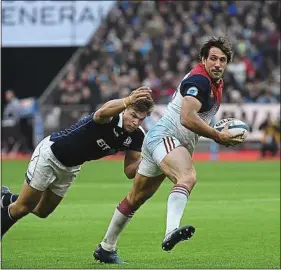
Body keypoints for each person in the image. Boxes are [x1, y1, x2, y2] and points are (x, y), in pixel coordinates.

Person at [93, 37, 245, 264]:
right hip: (166, 138)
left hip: (165, 142)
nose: (217, 64)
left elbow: (196, 117)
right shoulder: (199, 80)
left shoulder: (216, 83)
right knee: (187, 176)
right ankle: (170, 231)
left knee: (135, 198)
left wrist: (216, 128)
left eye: (222, 60)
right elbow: (187, 118)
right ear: (203, 59)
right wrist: (218, 136)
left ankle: (106, 247)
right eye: (213, 58)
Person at [1, 86, 154, 238]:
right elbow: (101, 113)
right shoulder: (112, 116)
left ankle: (6, 198)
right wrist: (127, 100)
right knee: (22, 208)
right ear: (125, 109)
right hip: (51, 154)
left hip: (71, 167)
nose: (135, 122)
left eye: (140, 119)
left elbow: (129, 171)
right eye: (133, 115)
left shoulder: (137, 136)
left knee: (42, 212)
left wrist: (150, 159)